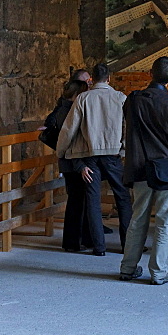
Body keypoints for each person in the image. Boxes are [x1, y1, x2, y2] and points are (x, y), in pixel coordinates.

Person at [119, 57, 168, 285]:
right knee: (165, 221)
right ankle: (159, 273)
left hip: (140, 168)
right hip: (166, 172)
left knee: (138, 219)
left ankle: (128, 268)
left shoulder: (133, 100)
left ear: (150, 73)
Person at [56, 63, 132, 256]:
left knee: (92, 200)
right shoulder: (120, 98)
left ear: (93, 80)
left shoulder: (83, 98)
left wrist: (61, 151)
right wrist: (122, 149)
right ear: (109, 78)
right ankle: (128, 245)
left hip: (89, 156)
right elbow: (127, 128)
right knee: (122, 198)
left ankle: (99, 247)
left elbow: (69, 129)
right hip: (113, 156)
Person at [41, 79, 92, 252]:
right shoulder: (69, 111)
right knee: (77, 202)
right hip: (73, 162)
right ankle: (73, 242)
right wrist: (80, 165)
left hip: (69, 162)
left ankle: (81, 239)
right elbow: (71, 142)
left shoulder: (63, 108)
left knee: (78, 201)